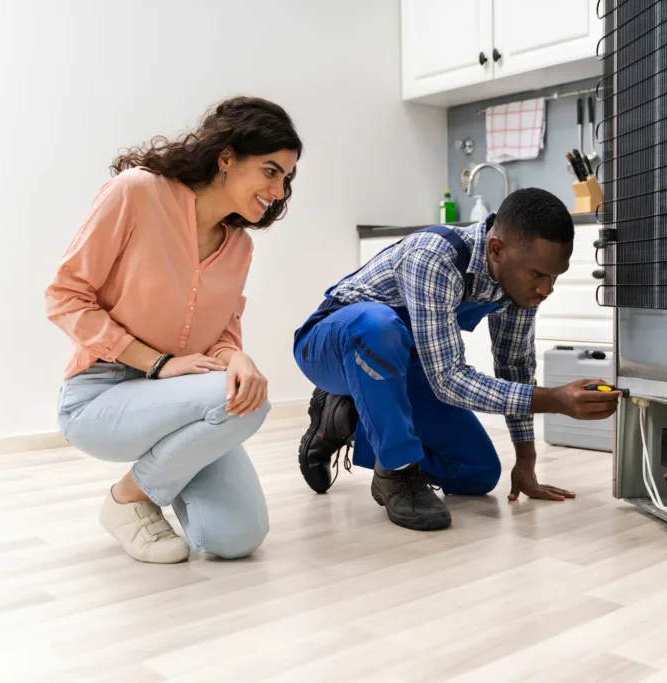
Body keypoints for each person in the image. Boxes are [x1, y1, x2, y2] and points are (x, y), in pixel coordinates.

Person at [45, 96, 302, 563]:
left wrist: (236, 356)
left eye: (286, 177)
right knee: (248, 401)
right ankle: (130, 499)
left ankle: (157, 481)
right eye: (270, 171)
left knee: (236, 539)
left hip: (182, 398)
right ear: (227, 158)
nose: (279, 190)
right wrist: (157, 363)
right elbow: (65, 297)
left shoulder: (239, 246)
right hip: (99, 396)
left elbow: (222, 333)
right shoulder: (137, 192)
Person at [292, 188, 620, 531]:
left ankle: (344, 418)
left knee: (477, 472)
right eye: (538, 274)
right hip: (329, 347)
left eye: (554, 277)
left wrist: (526, 460)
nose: (546, 289)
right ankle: (397, 473)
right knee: (378, 327)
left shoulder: (517, 288)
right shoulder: (434, 257)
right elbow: (448, 380)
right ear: (496, 249)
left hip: (404, 370)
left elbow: (515, 367)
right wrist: (554, 400)